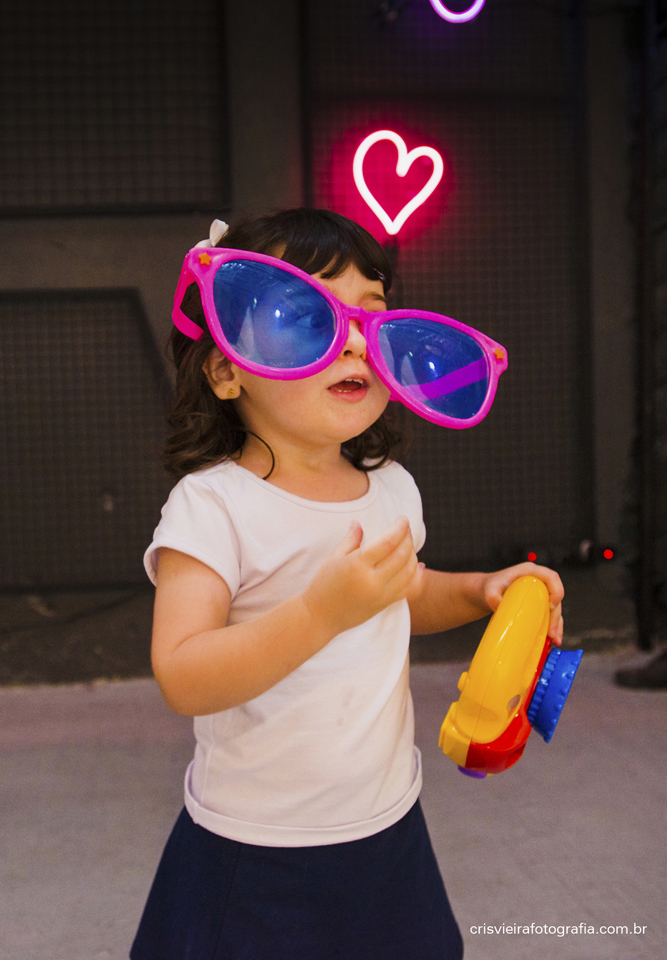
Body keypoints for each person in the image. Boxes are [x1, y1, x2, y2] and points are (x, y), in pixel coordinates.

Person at [130, 208, 565, 960]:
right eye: (305, 318)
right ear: (227, 369)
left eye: (371, 316)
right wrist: (321, 613)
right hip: (255, 846)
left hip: (387, 821)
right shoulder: (213, 506)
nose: (355, 341)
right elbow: (183, 674)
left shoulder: (390, 487)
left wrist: (478, 590)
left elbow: (403, 594)